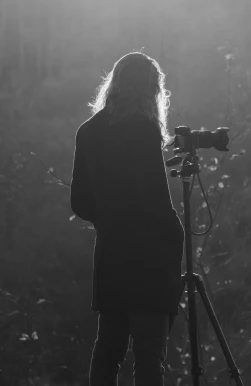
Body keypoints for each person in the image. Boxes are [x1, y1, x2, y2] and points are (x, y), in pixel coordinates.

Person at [71, 52, 184, 386]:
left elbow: (79, 201)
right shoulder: (142, 129)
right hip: (149, 258)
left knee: (108, 350)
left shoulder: (88, 131)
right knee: (149, 355)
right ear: (151, 90)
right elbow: (156, 201)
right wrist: (175, 234)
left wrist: (109, 218)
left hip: (111, 254)